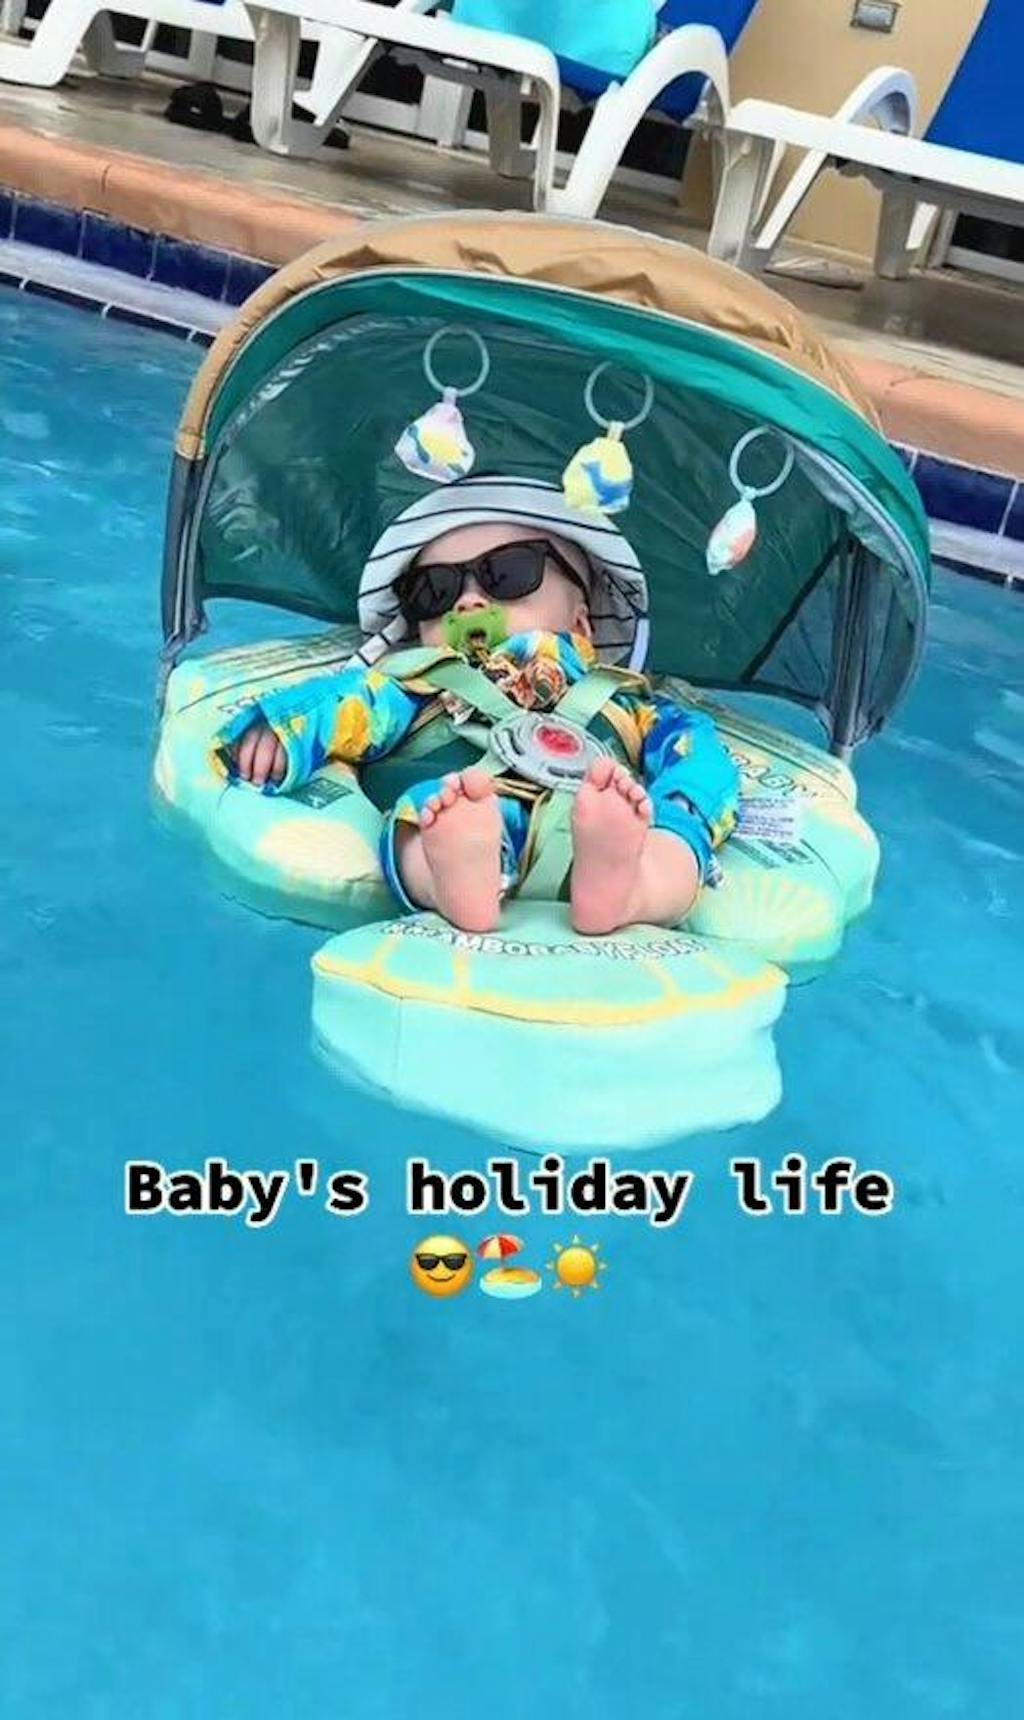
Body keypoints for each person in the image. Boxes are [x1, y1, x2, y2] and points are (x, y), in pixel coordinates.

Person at [219, 479, 739, 937]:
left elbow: (697, 754)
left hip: (601, 820)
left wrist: (678, 810)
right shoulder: (415, 685)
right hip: (475, 808)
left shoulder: (623, 701)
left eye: (507, 574)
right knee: (425, 813)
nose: (467, 603)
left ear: (581, 622)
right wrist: (287, 726)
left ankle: (631, 887)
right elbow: (350, 701)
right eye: (435, 591)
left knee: (676, 833)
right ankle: (458, 878)